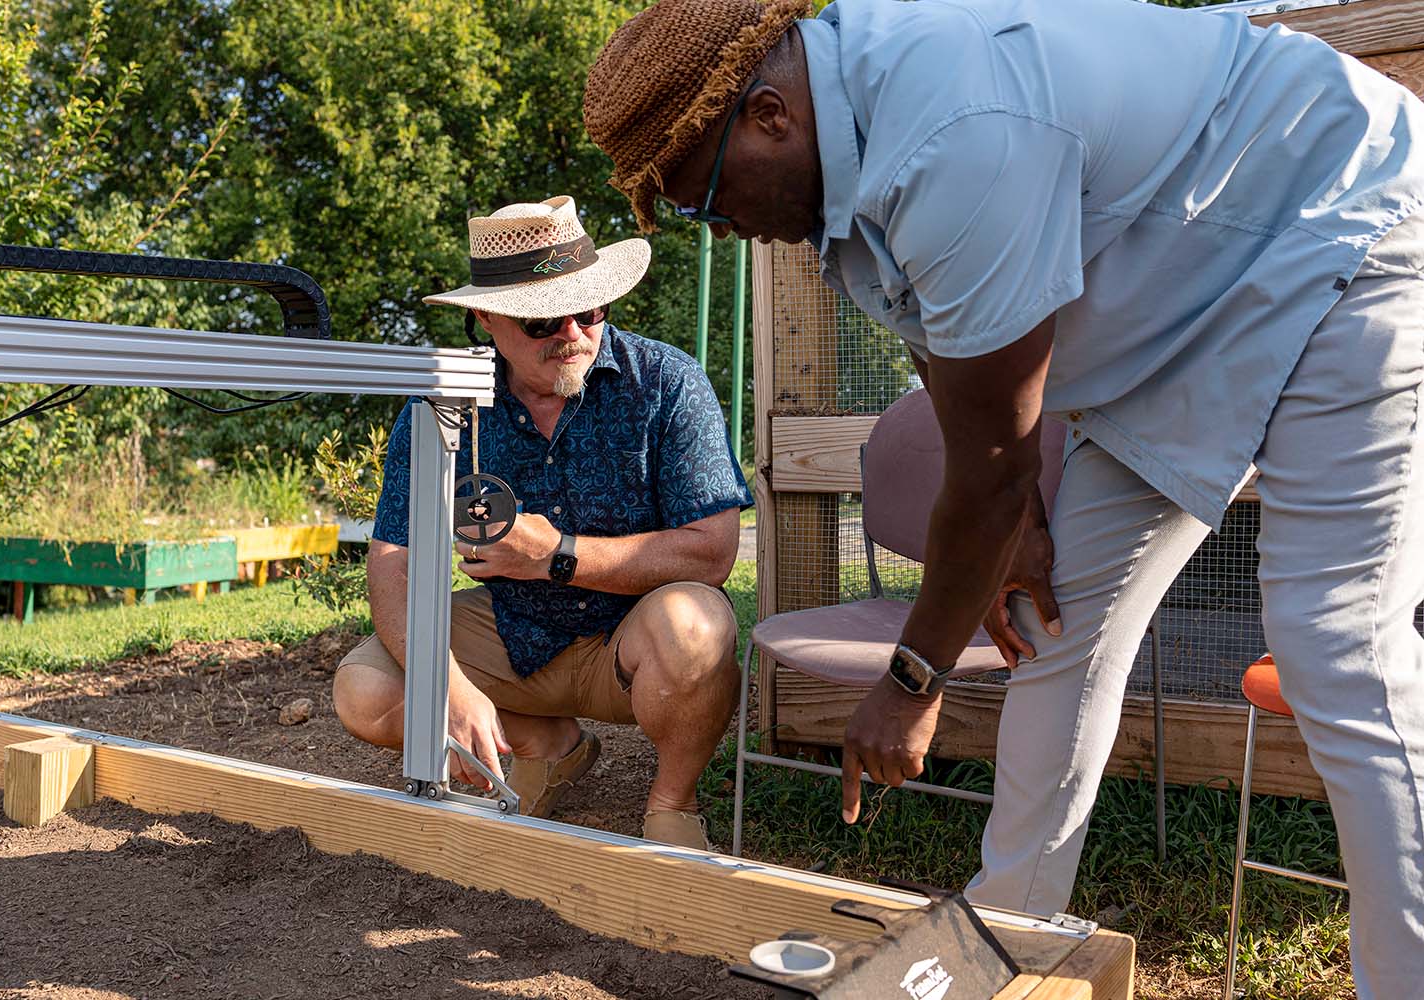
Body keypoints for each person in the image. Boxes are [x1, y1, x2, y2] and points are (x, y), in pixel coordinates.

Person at [584, 0, 1424, 992]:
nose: (726, 231)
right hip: (1174, 321)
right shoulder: (843, 174)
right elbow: (941, 346)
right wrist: (1018, 530)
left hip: (1340, 227)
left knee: (1340, 648)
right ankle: (997, 950)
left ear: (770, 115)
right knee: (1055, 623)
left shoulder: (955, 134)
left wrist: (910, 682)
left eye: (707, 200)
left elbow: (989, 472)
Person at [332, 195, 752, 851]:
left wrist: (556, 554)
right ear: (485, 317)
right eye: (542, 321)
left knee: (696, 625)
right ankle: (548, 746)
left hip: (634, 640)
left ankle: (672, 802)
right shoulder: (444, 402)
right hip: (513, 633)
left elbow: (712, 553)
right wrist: (447, 689)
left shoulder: (668, 382)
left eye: (589, 309)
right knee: (367, 690)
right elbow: (395, 558)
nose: (574, 332)